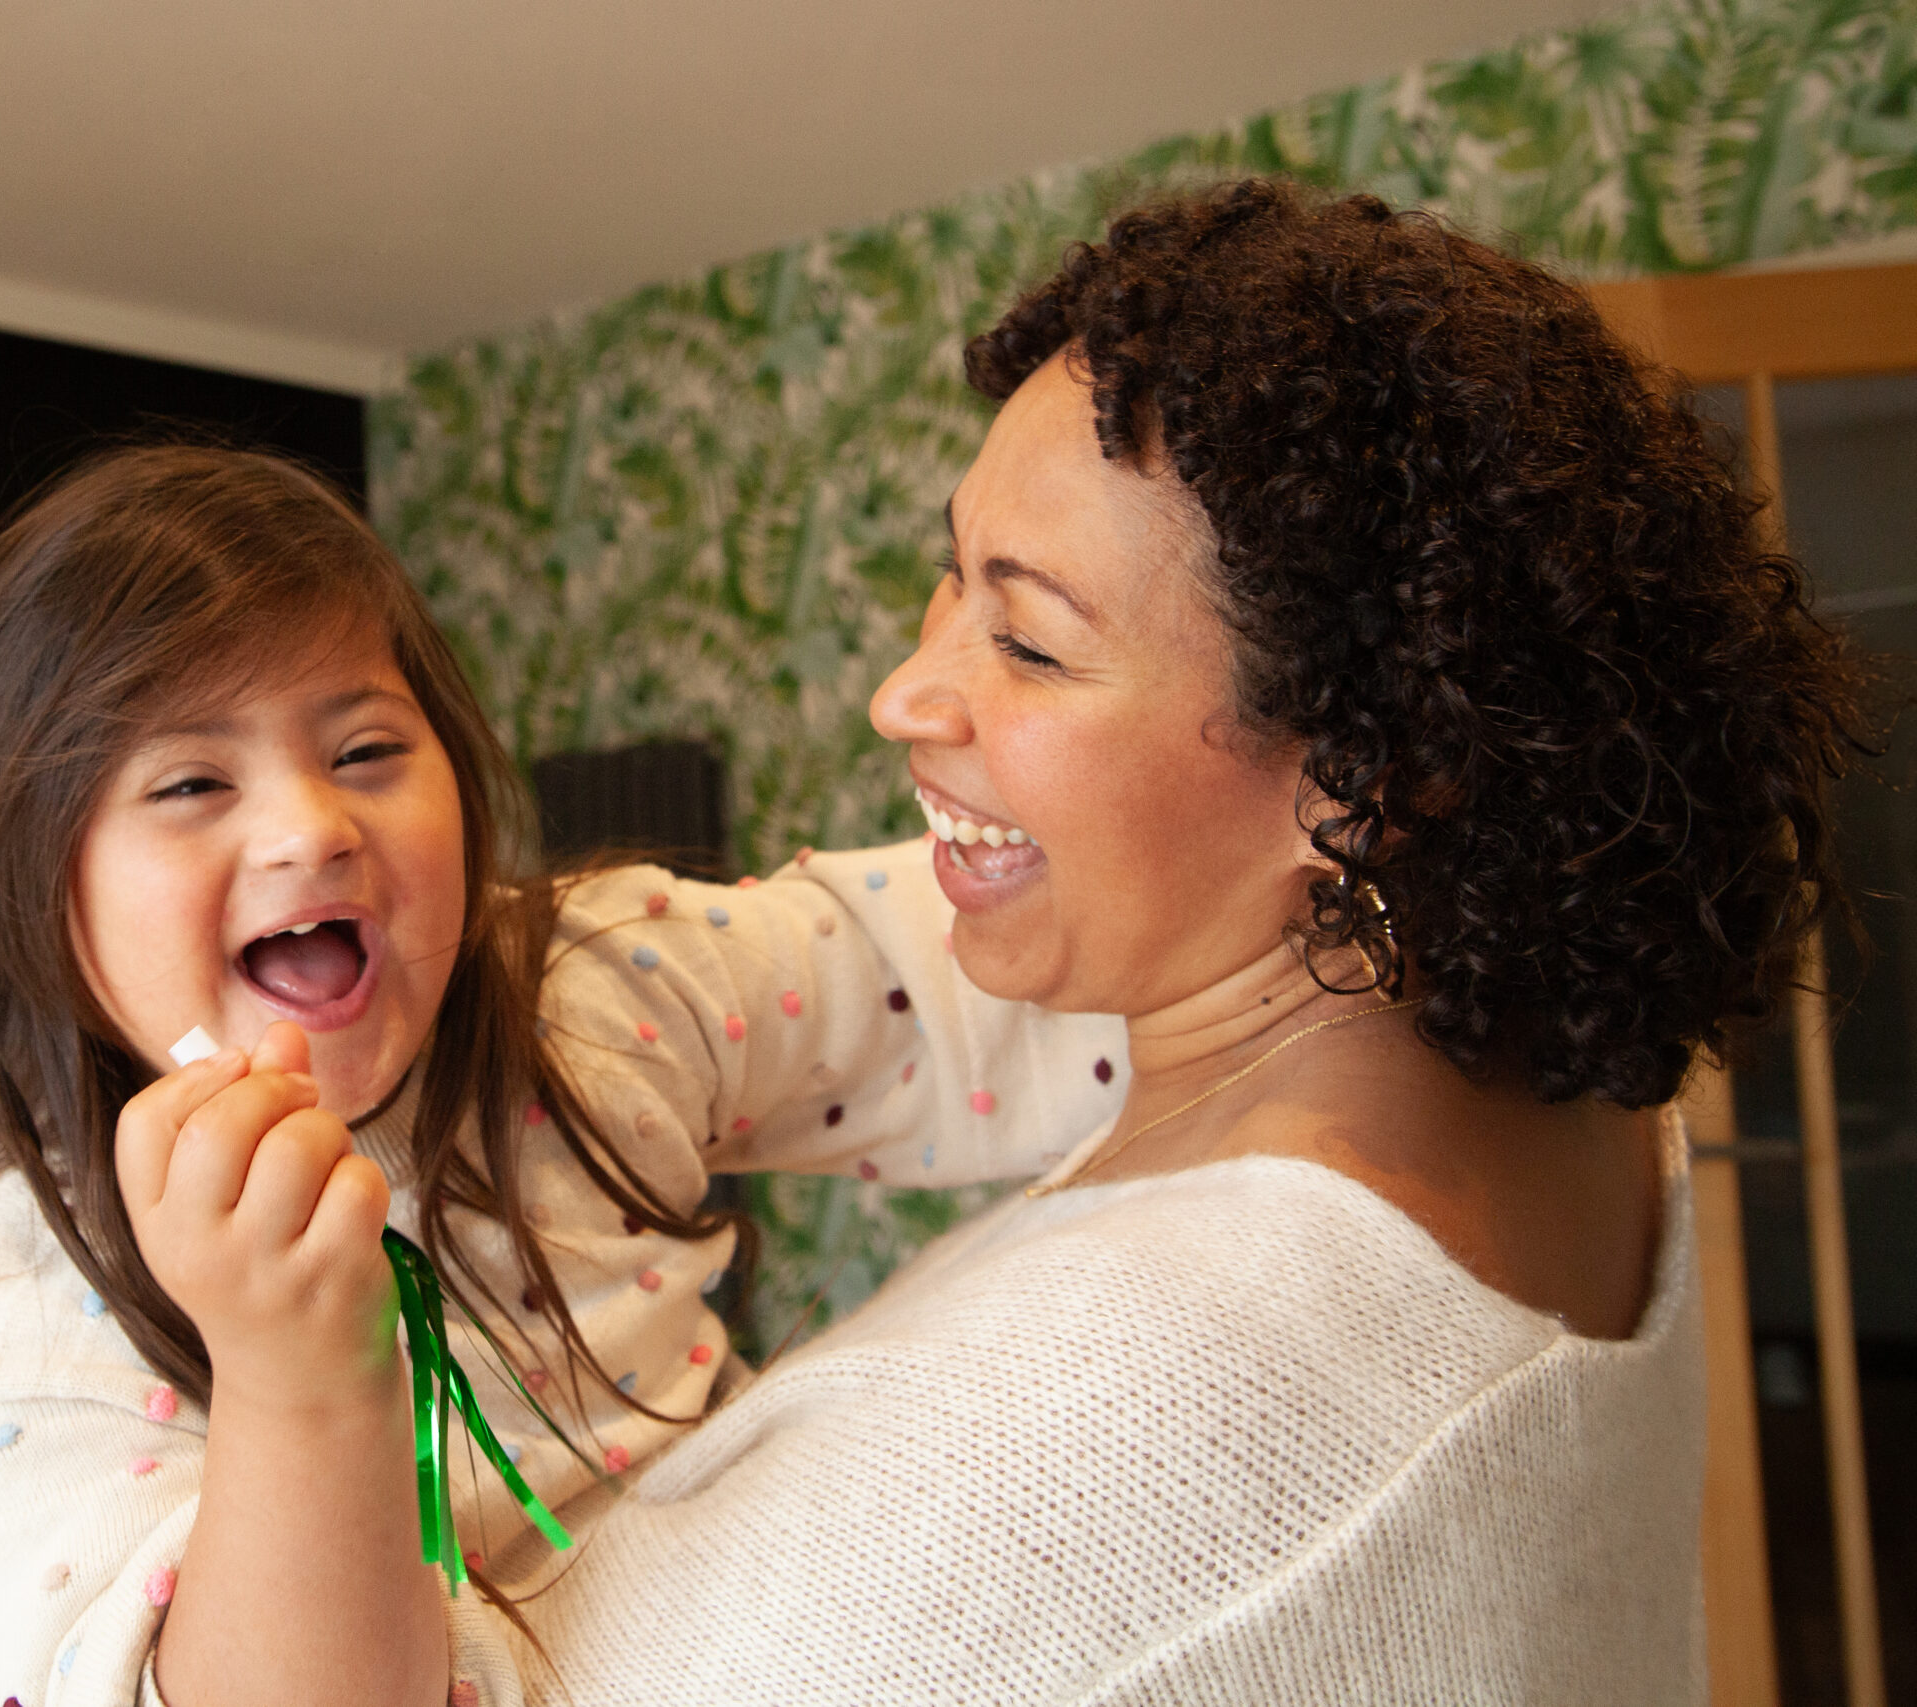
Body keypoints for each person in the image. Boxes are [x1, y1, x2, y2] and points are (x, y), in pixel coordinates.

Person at [220, 180, 1870, 1706]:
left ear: (1369, 771)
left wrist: (284, 1370)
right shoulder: (1576, 1110)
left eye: (1027, 636)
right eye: (951, 582)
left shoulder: (1075, 1436)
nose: (911, 692)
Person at [0, 443, 1127, 1706]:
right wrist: (293, 1378)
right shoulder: (9, 1308)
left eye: (364, 750)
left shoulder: (589, 986)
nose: (311, 826)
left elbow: (965, 978)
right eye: (193, 781)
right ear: (38, 888)